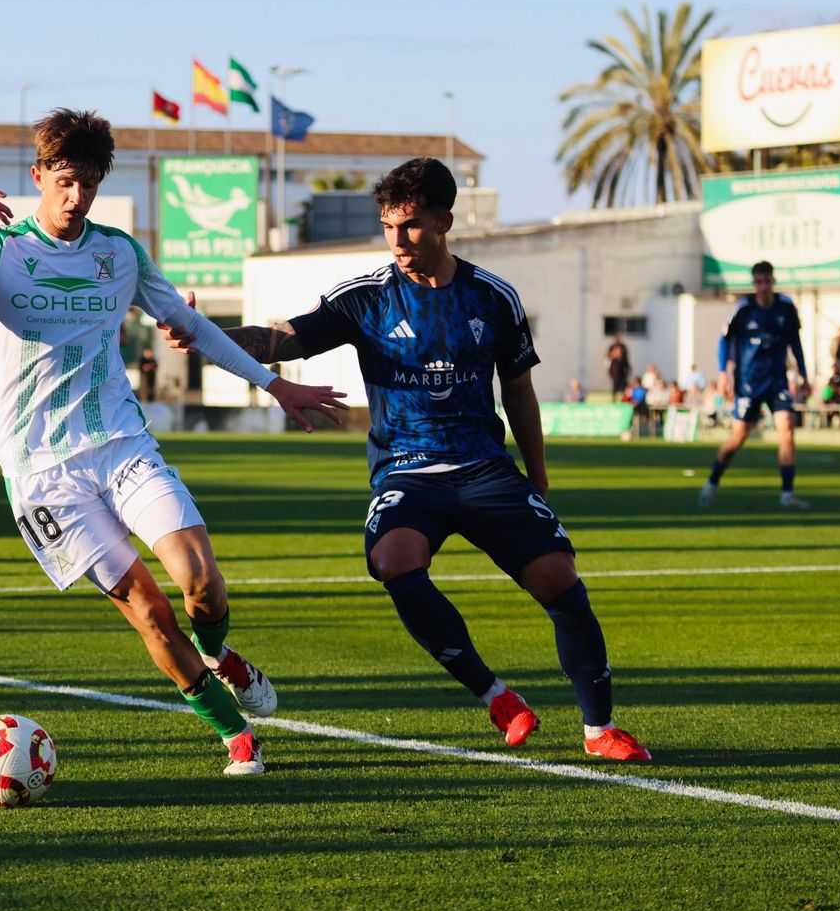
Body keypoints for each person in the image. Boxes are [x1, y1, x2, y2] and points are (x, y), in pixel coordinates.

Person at [160, 156, 650, 763]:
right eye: (389, 227)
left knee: (560, 581)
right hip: (408, 471)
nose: (398, 241)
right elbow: (282, 339)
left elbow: (519, 390)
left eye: (412, 226)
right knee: (394, 560)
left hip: (485, 468)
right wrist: (205, 332)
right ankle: (496, 695)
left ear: (445, 220)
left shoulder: (493, 298)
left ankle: (599, 728)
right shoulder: (367, 298)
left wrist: (538, 481)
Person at [0, 108, 347, 777]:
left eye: (88, 181)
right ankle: (238, 737)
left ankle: (221, 655)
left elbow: (188, 323)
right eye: (64, 179)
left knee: (202, 579)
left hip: (120, 444)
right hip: (43, 474)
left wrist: (274, 383)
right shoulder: (1, 250)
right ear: (38, 176)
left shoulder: (119, 253)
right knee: (149, 610)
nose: (76, 194)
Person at [699, 261, 811, 509]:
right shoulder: (743, 309)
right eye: (759, 282)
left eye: (767, 281)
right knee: (738, 437)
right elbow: (724, 340)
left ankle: (787, 494)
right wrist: (723, 372)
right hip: (749, 382)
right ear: (754, 283)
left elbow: (795, 341)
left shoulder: (785, 307)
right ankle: (712, 481)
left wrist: (804, 374)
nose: (763, 286)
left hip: (777, 380)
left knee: (787, 430)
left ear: (773, 281)